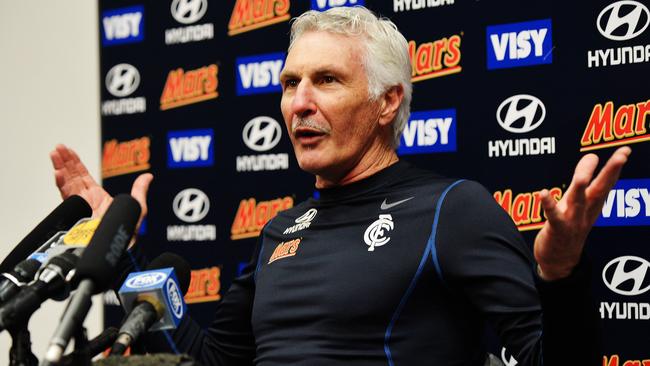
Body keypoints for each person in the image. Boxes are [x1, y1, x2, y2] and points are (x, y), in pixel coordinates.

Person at [50, 6, 631, 366]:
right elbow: (212, 361)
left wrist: (561, 276)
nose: (298, 103)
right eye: (289, 83)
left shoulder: (452, 209)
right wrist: (122, 257)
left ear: (387, 101)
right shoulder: (280, 229)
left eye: (326, 80)